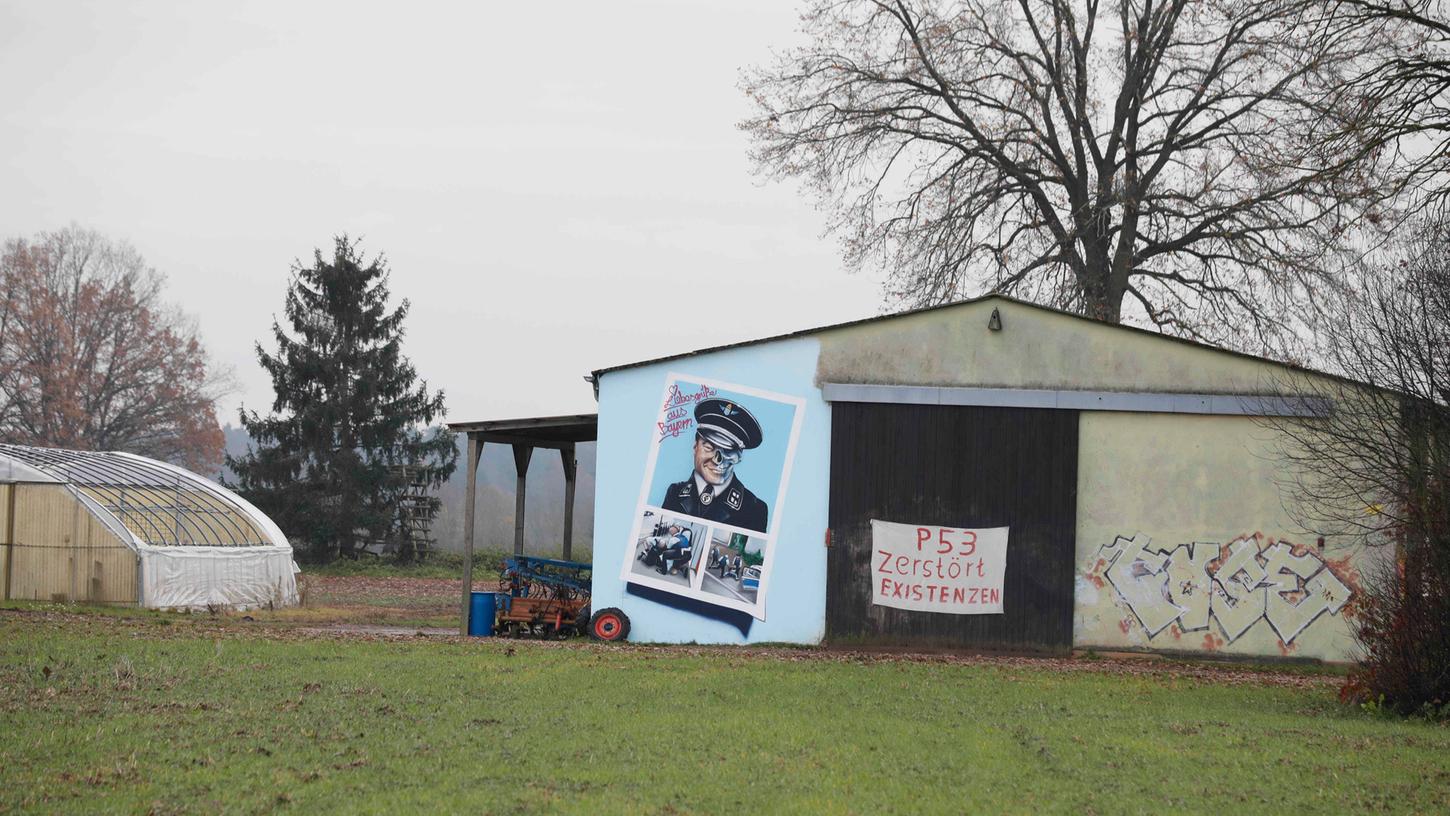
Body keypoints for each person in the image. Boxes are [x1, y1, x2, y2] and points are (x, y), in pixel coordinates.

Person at [661, 397, 769, 533]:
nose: (717, 460)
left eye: (728, 450)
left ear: (739, 457)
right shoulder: (674, 493)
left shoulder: (755, 509)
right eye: (709, 447)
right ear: (695, 447)